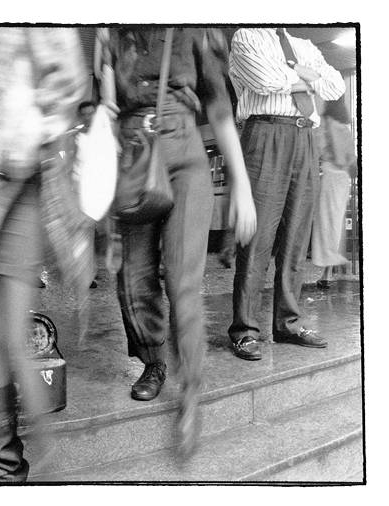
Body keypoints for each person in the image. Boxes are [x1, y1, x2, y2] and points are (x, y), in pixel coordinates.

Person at [103, 28, 257, 454]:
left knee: (183, 281)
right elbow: (101, 107)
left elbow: (219, 106)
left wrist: (241, 184)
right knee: (134, 280)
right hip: (133, 154)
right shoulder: (112, 34)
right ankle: (153, 363)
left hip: (186, 156)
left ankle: (191, 390)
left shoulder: (192, 27)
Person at [0, 27, 88, 483]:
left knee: (7, 330)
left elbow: (65, 90)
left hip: (20, 186)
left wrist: (10, 165)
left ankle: (40, 461)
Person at [227, 28, 345, 360]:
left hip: (306, 138)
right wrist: (308, 77)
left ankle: (288, 324)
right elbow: (263, 81)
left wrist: (296, 76)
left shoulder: (305, 44)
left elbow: (334, 86)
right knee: (257, 239)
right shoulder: (246, 37)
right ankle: (245, 329)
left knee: (296, 238)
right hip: (266, 133)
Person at [311, 97, 356, 289]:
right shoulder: (345, 130)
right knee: (335, 223)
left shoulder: (328, 126)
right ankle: (327, 272)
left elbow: (321, 150)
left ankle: (328, 271)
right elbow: (351, 160)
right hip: (343, 177)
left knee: (326, 223)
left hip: (331, 175)